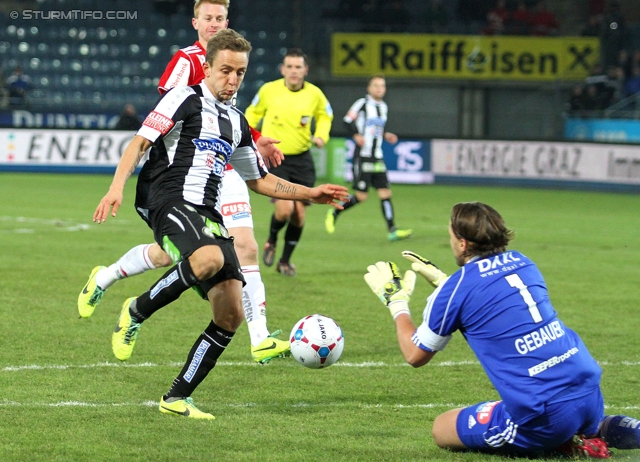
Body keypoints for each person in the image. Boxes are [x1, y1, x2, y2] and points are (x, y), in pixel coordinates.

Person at [93, 29, 348, 419]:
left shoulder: (237, 121)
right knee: (209, 257)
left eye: (240, 73)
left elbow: (259, 180)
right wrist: (116, 188)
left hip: (207, 215)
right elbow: (140, 142)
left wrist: (310, 194)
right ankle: (136, 310)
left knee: (230, 315)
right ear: (207, 67)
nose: (232, 80)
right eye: (225, 70)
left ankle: (176, 397)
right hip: (168, 199)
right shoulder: (184, 98)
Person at [78, 0, 291, 364]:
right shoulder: (187, 61)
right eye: (207, 18)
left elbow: (227, 117)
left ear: (227, 21)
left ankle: (259, 338)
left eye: (220, 17)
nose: (213, 23)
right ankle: (106, 277)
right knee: (170, 255)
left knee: (246, 248)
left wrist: (254, 138)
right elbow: (172, 112)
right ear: (196, 22)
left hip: (225, 170)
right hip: (184, 177)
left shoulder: (231, 59)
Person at [364, 201, 640, 457]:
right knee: (578, 414)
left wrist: (395, 301)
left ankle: (564, 443)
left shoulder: (457, 290)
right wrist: (446, 283)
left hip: (542, 413)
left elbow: (414, 355)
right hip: (588, 388)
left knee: (442, 428)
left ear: (462, 243)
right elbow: (496, 303)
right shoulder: (525, 262)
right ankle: (600, 431)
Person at [245, 48, 334, 277]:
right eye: (290, 67)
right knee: (284, 210)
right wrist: (248, 135)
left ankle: (285, 261)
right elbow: (252, 113)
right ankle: (272, 241)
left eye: (298, 67)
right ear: (283, 69)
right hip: (277, 158)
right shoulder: (269, 90)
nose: (294, 71)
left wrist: (322, 135)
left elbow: (325, 115)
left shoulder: (315, 94)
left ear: (305, 70)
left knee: (299, 215)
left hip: (303, 160)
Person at [325, 75, 412, 242]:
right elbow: (347, 121)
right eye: (376, 85)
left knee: (385, 192)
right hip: (363, 155)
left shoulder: (384, 107)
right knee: (361, 196)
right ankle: (335, 211)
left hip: (377, 156)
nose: (379, 88)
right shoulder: (362, 103)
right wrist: (356, 135)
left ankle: (392, 230)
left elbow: (376, 129)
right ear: (369, 88)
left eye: (382, 86)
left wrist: (386, 135)